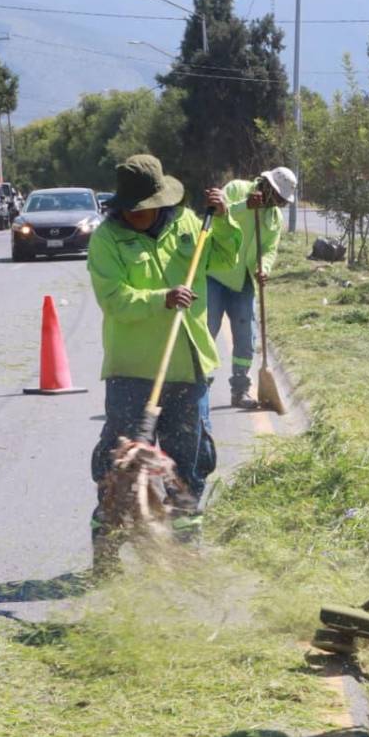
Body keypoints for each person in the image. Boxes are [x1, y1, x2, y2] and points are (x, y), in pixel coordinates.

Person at [87, 154, 241, 568]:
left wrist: (224, 220)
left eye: (146, 206)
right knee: (121, 470)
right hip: (132, 372)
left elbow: (226, 260)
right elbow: (115, 300)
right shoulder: (106, 241)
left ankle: (187, 552)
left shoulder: (189, 224)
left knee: (189, 468)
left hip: (189, 369)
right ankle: (107, 552)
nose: (138, 214)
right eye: (132, 208)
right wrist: (163, 299)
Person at [207, 167, 297, 409]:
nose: (280, 204)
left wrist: (263, 268)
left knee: (246, 337)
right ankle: (199, 385)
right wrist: (245, 206)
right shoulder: (237, 189)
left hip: (244, 281)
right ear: (267, 186)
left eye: (283, 200)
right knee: (207, 331)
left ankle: (240, 389)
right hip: (215, 274)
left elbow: (269, 249)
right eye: (278, 198)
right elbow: (217, 217)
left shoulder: (274, 217)